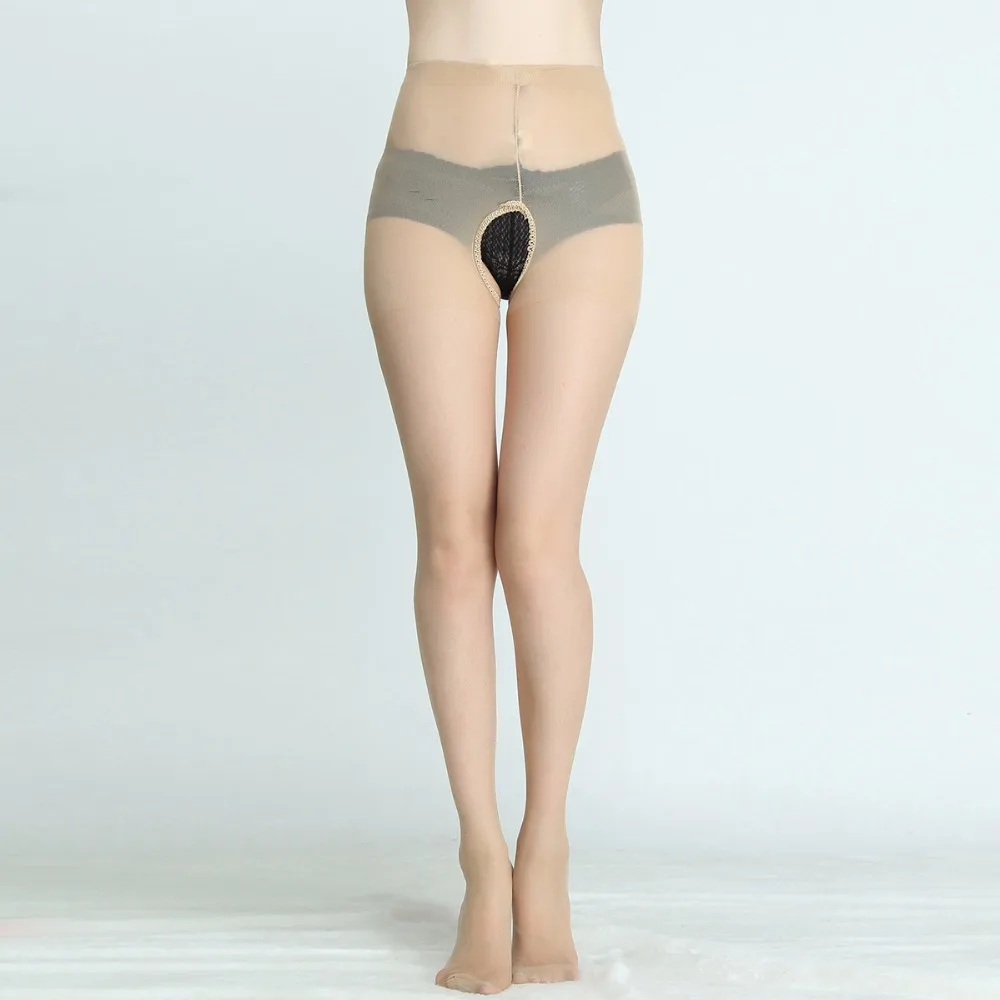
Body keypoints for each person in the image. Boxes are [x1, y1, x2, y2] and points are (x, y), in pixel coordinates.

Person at [363, 1, 642, 993]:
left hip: (588, 195)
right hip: (426, 191)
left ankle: (546, 847)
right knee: (452, 539)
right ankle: (482, 857)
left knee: (537, 541)